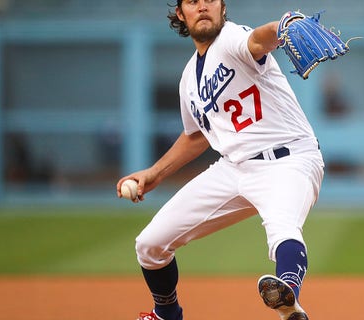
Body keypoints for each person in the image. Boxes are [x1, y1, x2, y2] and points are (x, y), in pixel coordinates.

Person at [116, 1, 324, 320]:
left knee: (283, 229)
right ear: (180, 14)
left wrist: (282, 27)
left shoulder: (231, 39)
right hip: (233, 168)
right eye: (192, 2)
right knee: (150, 244)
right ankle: (166, 313)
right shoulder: (189, 80)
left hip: (288, 159)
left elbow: (259, 39)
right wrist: (155, 173)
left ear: (222, 7)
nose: (202, 6)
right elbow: (196, 136)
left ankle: (287, 298)